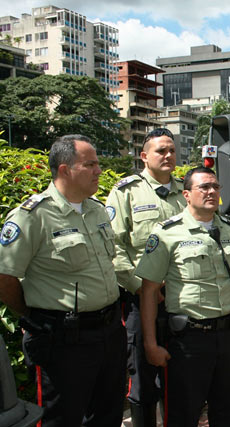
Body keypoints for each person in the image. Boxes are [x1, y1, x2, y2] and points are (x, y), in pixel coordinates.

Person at [0, 135, 126, 426]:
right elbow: (4, 276)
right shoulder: (32, 216)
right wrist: (34, 315)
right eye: (90, 164)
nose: (99, 171)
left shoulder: (96, 210)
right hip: (64, 341)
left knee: (108, 415)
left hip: (109, 333)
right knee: (62, 419)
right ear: (65, 169)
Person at [135, 167, 230, 427]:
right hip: (189, 342)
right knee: (183, 415)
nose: (211, 192)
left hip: (228, 338)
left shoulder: (229, 230)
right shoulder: (166, 233)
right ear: (186, 194)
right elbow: (150, 291)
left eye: (215, 187)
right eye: (204, 187)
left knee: (227, 412)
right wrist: (151, 345)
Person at [105, 128, 185, 426]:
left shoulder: (185, 192)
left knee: (180, 378)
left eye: (172, 151)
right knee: (143, 382)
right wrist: (141, 287)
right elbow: (114, 246)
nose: (168, 156)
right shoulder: (126, 192)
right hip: (141, 302)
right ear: (144, 156)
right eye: (161, 151)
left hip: (181, 300)